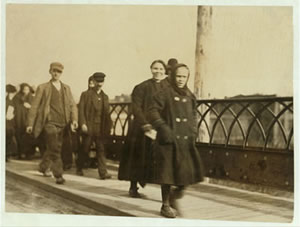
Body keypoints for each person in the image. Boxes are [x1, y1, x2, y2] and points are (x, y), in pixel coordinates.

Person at [147, 63, 205, 218]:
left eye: (184, 77)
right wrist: (163, 128)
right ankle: (165, 205)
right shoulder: (165, 93)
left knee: (189, 172)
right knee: (167, 174)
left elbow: (193, 115)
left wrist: (193, 130)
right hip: (168, 139)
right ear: (173, 76)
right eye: (178, 76)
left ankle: (175, 195)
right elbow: (152, 111)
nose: (181, 79)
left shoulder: (190, 95)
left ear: (187, 78)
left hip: (185, 140)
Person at [118, 59, 169, 197]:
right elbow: (136, 108)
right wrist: (144, 124)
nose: (158, 71)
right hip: (142, 128)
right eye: (155, 68)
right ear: (151, 69)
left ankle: (165, 193)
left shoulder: (168, 87)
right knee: (137, 157)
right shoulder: (141, 87)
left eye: (161, 69)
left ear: (165, 71)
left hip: (160, 126)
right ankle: (133, 187)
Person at [26, 62, 78, 184]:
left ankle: (43, 167)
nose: (56, 73)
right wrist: (30, 123)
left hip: (63, 124)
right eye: (54, 70)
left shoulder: (66, 88)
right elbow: (34, 106)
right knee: (55, 149)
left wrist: (74, 120)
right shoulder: (43, 87)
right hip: (49, 123)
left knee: (54, 147)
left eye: (59, 71)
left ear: (61, 73)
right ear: (50, 71)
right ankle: (58, 175)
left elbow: (73, 106)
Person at [77, 72, 112, 179]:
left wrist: (109, 126)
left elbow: (107, 114)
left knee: (101, 149)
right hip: (89, 125)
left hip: (100, 127)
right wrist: (83, 123)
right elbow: (81, 110)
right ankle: (79, 167)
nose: (99, 84)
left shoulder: (105, 97)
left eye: (101, 82)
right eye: (98, 81)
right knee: (85, 148)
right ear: (94, 81)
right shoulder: (86, 95)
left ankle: (103, 172)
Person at [14, 83, 35, 159]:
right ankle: (21, 153)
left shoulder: (32, 98)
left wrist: (30, 106)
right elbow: (15, 107)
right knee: (19, 135)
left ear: (29, 90)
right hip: (19, 119)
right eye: (24, 89)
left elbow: (36, 108)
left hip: (28, 119)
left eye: (27, 89)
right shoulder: (17, 97)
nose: (25, 91)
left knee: (29, 135)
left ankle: (29, 154)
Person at [6, 84, 18, 161]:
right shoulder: (7, 100)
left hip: (10, 121)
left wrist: (13, 115)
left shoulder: (12, 100)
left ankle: (7, 155)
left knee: (9, 138)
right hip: (6, 122)